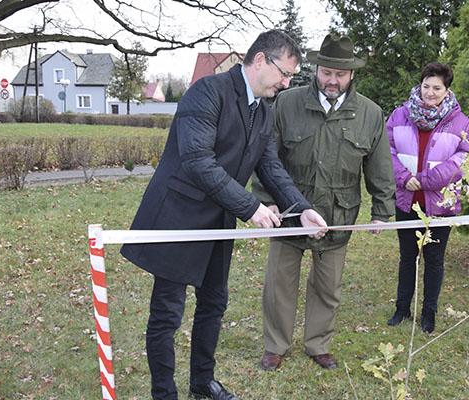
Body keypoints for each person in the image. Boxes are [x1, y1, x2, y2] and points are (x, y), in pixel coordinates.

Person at [120, 30, 327, 400]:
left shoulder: (264, 110)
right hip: (178, 219)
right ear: (261, 60)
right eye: (284, 74)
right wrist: (251, 208)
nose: (286, 83)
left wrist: (303, 209)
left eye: (291, 78)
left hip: (218, 220)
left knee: (213, 303)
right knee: (167, 315)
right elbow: (199, 162)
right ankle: (163, 393)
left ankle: (203, 383)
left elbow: (270, 166)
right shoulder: (207, 92)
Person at [253, 34, 395, 371]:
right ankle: (276, 345)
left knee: (327, 288)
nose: (332, 80)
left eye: (340, 75)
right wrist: (265, 199)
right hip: (289, 213)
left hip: (337, 215)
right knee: (278, 285)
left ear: (351, 75)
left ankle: (318, 344)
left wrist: (382, 212)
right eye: (326, 72)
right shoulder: (286, 104)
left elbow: (379, 167)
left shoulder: (370, 114)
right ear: (317, 69)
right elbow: (267, 156)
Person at [385, 62, 469, 334]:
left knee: (434, 261)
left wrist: (424, 181)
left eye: (437, 87)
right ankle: (402, 308)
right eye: (426, 86)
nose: (430, 92)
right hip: (407, 203)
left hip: (441, 207)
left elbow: (462, 159)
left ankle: (429, 313)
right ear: (419, 85)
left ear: (447, 91)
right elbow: (386, 150)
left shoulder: (461, 123)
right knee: (407, 258)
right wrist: (403, 178)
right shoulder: (399, 116)